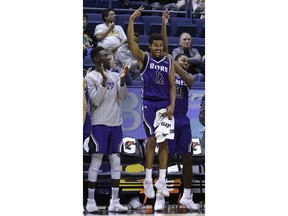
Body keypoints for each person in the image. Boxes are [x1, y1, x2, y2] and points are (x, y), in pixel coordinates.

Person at [127, 6, 176, 199]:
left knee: (164, 144)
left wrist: (172, 105)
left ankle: (161, 181)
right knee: (152, 140)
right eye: (155, 45)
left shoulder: (168, 62)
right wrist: (131, 21)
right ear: (149, 46)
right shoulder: (144, 59)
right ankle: (148, 179)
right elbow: (131, 43)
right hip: (149, 104)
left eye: (161, 46)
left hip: (165, 105)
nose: (159, 48)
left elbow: (172, 86)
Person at [153, 11, 199, 212]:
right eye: (183, 61)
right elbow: (164, 49)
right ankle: (160, 197)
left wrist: (177, 63)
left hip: (183, 120)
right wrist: (164, 25)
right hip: (168, 119)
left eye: (187, 62)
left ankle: (187, 196)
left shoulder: (186, 76)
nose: (186, 64)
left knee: (187, 157)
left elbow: (189, 80)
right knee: (166, 157)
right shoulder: (168, 70)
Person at [84, 46, 129, 213]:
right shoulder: (90, 77)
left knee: (116, 162)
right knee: (96, 161)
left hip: (116, 123)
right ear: (97, 59)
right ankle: (90, 201)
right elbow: (95, 101)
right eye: (105, 55)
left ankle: (115, 201)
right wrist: (103, 81)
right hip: (99, 123)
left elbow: (123, 97)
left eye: (109, 55)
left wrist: (123, 80)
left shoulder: (116, 75)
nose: (109, 58)